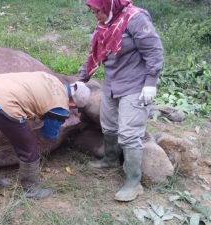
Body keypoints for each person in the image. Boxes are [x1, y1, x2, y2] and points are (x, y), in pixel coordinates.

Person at [76, 0, 163, 201]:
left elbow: (154, 51)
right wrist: (79, 81)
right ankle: (110, 159)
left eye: (97, 10)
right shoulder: (105, 24)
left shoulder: (135, 18)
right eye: (92, 11)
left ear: (109, 4)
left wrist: (151, 81)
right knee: (109, 125)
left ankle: (134, 182)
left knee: (129, 133)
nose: (95, 15)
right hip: (112, 85)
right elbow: (93, 57)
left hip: (135, 86)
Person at [0, 71, 90, 199]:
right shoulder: (60, 107)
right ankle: (31, 190)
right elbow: (48, 136)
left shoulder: (54, 80)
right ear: (73, 104)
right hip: (4, 103)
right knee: (29, 149)